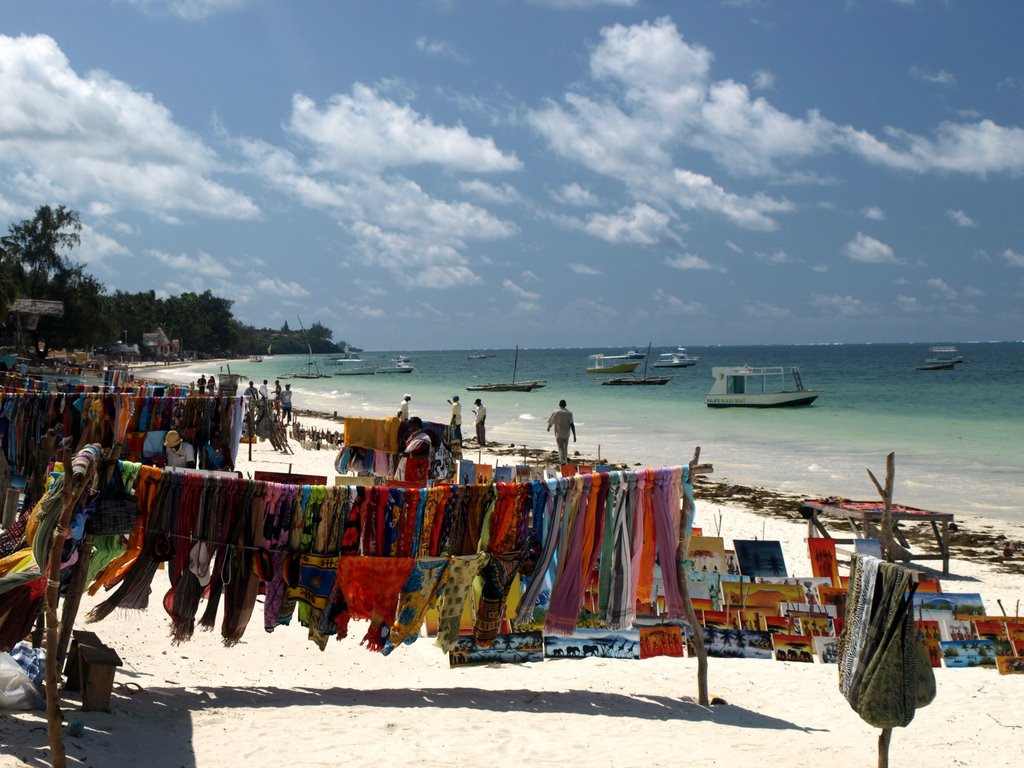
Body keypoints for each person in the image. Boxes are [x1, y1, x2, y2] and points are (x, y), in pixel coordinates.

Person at [396, 416, 432, 483]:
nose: (408, 428)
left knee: (417, 490)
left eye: (410, 426)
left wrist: (410, 455)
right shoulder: (411, 436)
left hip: (418, 470)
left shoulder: (425, 438)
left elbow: (426, 454)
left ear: (416, 426)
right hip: (409, 468)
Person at [547, 399, 576, 465]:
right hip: (566, 434)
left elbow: (551, 421)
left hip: (558, 434)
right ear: (565, 405)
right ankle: (565, 461)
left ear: (559, 405)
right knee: (565, 448)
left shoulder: (556, 412)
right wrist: (574, 435)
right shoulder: (569, 413)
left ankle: (562, 461)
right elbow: (572, 424)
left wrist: (548, 427)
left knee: (560, 448)